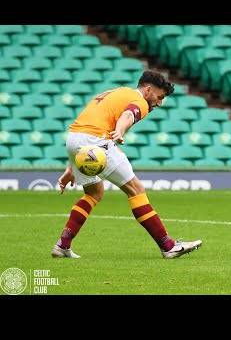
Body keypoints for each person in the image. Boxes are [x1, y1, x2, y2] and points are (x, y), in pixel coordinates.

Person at [52, 70, 202, 259]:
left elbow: (84, 132)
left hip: (74, 140)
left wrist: (72, 166)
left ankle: (62, 245)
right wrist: (119, 131)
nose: (159, 102)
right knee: (136, 189)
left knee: (94, 192)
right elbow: (128, 115)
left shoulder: (117, 92)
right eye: (159, 96)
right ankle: (168, 246)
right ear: (148, 90)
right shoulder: (140, 101)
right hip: (97, 141)